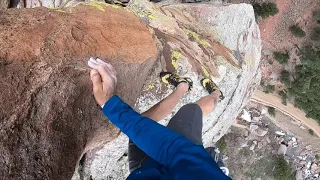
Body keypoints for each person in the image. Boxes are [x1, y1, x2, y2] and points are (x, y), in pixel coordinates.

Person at [88, 57, 231, 179]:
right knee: (191, 110)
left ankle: (183, 85)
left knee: (143, 123)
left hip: (144, 170)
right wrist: (111, 106)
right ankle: (214, 93)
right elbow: (176, 151)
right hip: (181, 161)